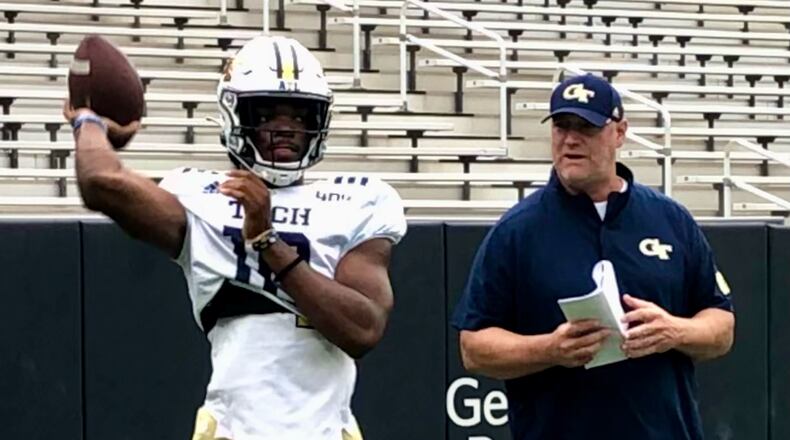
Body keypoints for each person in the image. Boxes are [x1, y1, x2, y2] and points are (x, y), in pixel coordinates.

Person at [64, 35, 407, 440]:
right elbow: (101, 183)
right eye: (267, 114)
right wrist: (90, 121)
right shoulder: (200, 196)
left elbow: (361, 330)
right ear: (234, 114)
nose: (286, 129)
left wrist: (268, 242)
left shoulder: (359, 200)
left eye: (299, 115)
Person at [451, 73, 735, 440]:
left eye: (586, 127)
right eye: (561, 126)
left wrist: (674, 330)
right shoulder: (517, 231)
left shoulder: (671, 220)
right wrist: (550, 348)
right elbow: (474, 347)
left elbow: (721, 326)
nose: (570, 139)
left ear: (619, 133)